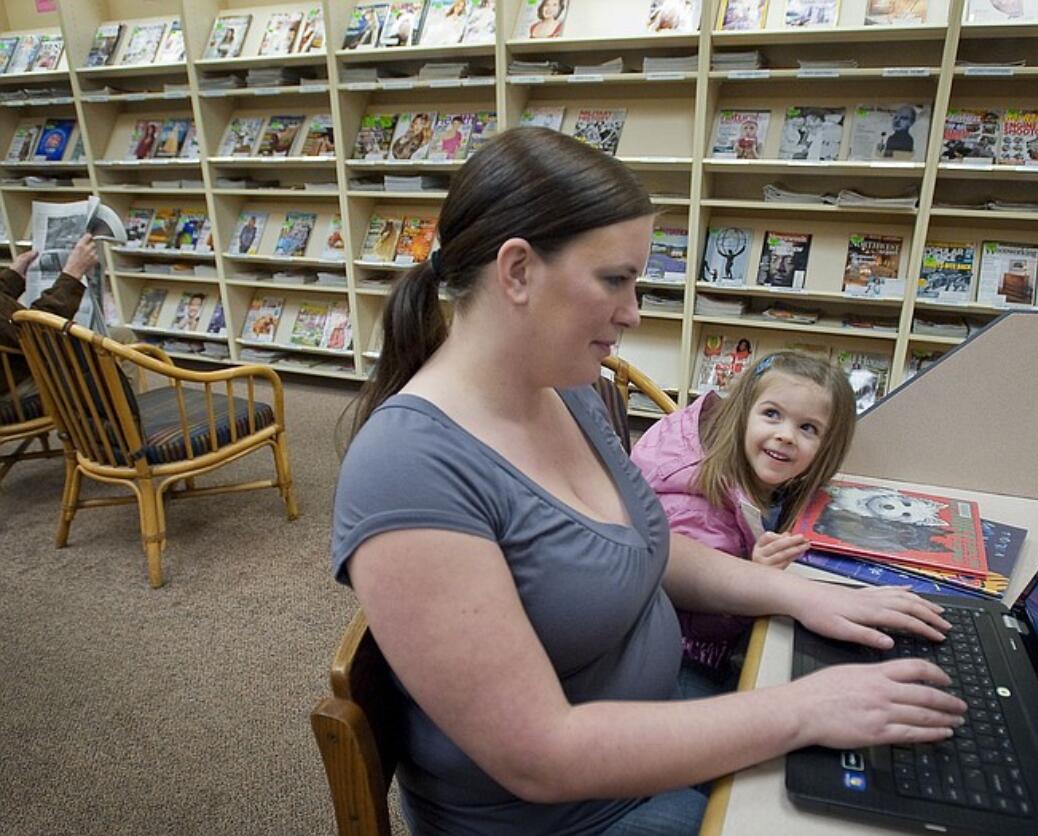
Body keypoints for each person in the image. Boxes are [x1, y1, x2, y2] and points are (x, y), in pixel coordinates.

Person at [331, 127, 964, 836]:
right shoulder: (407, 469)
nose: (633, 311)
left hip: (658, 725)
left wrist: (802, 596)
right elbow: (540, 755)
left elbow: (641, 545)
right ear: (516, 272)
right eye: (614, 279)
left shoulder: (561, 385)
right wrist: (803, 709)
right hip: (571, 812)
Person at [631, 351, 856, 696]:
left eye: (807, 428)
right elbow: (687, 611)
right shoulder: (695, 504)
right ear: (742, 415)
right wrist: (755, 574)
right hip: (681, 653)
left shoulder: (757, 469)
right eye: (771, 414)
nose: (786, 435)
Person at [0, 234, 99, 397]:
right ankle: (118, 418)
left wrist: (12, 276)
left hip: (20, 361)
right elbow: (38, 332)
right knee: (105, 353)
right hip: (19, 380)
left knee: (119, 336)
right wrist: (73, 273)